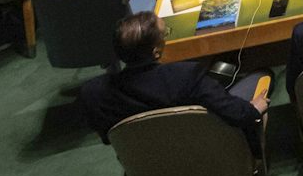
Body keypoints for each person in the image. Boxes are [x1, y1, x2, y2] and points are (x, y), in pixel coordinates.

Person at [80, 12, 268, 146]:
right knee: (263, 75)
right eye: (165, 33)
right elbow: (236, 113)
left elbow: (109, 138)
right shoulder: (187, 76)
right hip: (206, 153)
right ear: (156, 51)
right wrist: (253, 109)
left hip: (151, 168)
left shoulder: (93, 93)